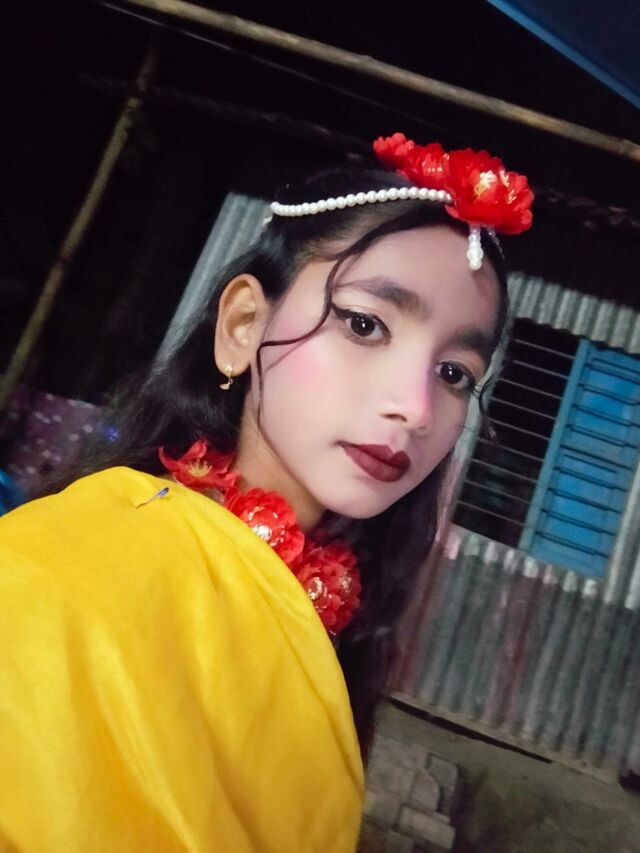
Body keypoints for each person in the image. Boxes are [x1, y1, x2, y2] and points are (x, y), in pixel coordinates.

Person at [0, 134, 532, 852]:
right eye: (365, 324)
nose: (416, 408)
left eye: (455, 374)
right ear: (244, 325)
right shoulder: (72, 564)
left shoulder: (327, 613)